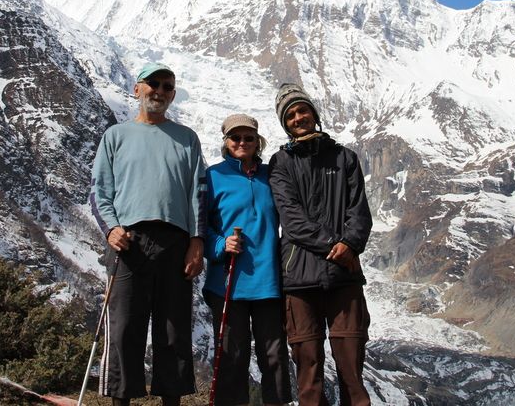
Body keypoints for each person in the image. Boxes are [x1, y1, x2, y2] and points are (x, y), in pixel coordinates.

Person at [89, 62, 206, 406]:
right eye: (153, 83)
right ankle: (120, 399)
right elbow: (99, 191)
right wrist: (111, 229)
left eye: (168, 86)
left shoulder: (187, 139)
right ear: (137, 89)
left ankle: (172, 400)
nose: (160, 90)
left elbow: (197, 194)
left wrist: (197, 241)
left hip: (176, 241)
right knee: (125, 326)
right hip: (129, 241)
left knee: (173, 329)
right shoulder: (116, 136)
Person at [268, 83, 373, 406]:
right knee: (308, 369)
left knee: (352, 367)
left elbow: (360, 211)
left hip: (344, 277)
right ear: (285, 123)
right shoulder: (280, 163)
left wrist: (351, 243)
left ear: (314, 113)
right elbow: (293, 220)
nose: (299, 117)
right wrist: (337, 247)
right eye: (291, 115)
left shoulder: (345, 158)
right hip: (301, 279)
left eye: (303, 110)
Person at [203, 114, 292, 406]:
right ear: (226, 142)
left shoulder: (273, 175)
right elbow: (199, 226)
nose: (242, 142)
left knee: (275, 358)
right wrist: (221, 243)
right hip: (228, 284)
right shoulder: (213, 177)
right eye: (235, 138)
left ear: (258, 141)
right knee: (232, 358)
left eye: (248, 137)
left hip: (269, 284)